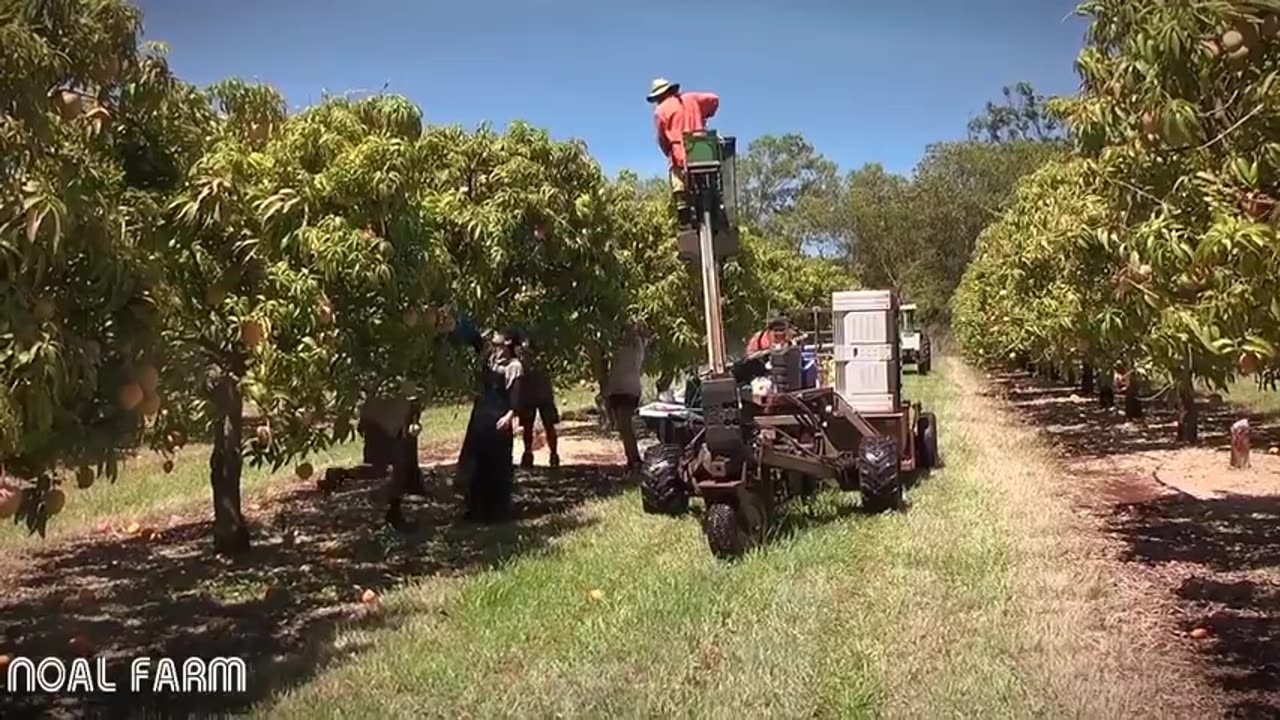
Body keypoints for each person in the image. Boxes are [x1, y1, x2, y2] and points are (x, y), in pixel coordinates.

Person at [454, 321, 525, 523]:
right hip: (481, 415)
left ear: (509, 342)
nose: (495, 344)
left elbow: (516, 397)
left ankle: (496, 512)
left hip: (498, 418)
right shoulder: (490, 357)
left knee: (497, 464)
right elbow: (474, 339)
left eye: (499, 341)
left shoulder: (514, 367)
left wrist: (509, 416)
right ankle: (474, 509)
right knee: (476, 461)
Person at [648, 77, 719, 230]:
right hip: (702, 150)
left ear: (659, 96)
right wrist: (705, 114)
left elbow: (662, 138)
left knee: (677, 179)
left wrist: (667, 150)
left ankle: (684, 215)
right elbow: (714, 99)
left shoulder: (660, 111)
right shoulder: (692, 98)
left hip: (680, 154)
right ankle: (715, 207)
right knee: (712, 173)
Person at [605, 320, 649, 470]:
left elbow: (642, 331)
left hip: (629, 390)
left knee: (625, 425)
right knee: (622, 428)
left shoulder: (638, 345)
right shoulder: (617, 346)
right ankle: (632, 459)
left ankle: (635, 460)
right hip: (615, 389)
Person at [515, 335, 561, 469]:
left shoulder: (538, 361)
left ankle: (553, 455)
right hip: (532, 395)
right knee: (528, 427)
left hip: (542, 395)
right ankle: (528, 453)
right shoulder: (526, 362)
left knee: (548, 426)